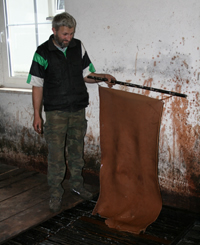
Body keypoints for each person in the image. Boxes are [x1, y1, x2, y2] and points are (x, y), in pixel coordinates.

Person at [26, 12, 116, 213]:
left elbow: (87, 75)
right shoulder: (42, 52)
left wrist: (102, 77)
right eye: (65, 34)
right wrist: (37, 114)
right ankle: (55, 194)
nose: (69, 38)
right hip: (56, 112)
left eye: (71, 33)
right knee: (56, 156)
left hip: (77, 109)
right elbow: (37, 86)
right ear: (54, 31)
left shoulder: (78, 46)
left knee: (77, 152)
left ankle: (77, 185)